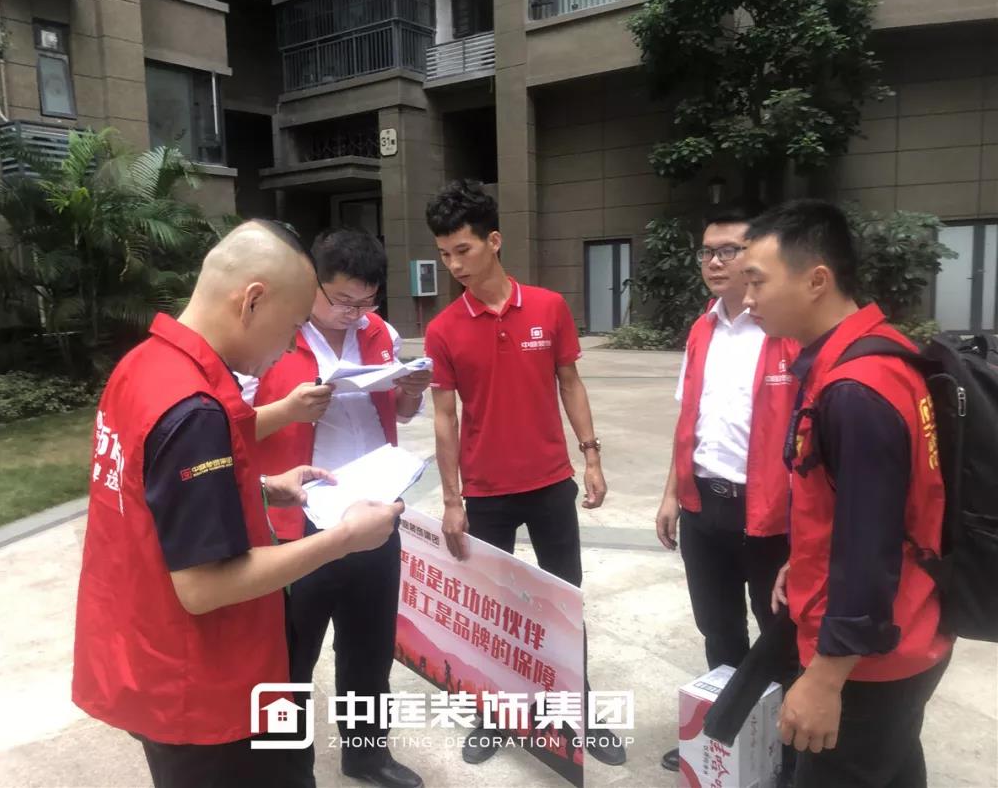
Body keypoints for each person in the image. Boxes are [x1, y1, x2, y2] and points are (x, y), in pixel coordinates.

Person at [72, 220, 405, 788]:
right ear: (252, 301)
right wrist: (345, 538)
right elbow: (205, 585)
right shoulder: (194, 408)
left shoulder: (144, 366)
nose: (289, 345)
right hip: (201, 688)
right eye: (292, 325)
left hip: (150, 659)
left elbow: (154, 496)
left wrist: (259, 487)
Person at [741, 200, 952, 788]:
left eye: (757, 281)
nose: (747, 297)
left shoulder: (857, 389)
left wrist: (826, 679)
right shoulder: (871, 355)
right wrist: (804, 563)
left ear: (816, 280)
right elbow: (859, 506)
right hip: (903, 634)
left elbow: (870, 547)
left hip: (868, 662)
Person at [422, 179, 625, 767]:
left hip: (550, 484)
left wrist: (590, 455)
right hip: (486, 493)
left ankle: (577, 708)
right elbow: (444, 419)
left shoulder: (548, 307)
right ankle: (494, 711)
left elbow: (570, 383)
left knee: (565, 603)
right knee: (491, 610)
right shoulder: (443, 330)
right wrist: (453, 499)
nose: (454, 265)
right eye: (444, 254)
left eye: (463, 250)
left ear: (494, 240)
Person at [244, 228, 430, 788]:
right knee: (291, 656)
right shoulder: (273, 337)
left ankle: (366, 755)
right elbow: (232, 427)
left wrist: (411, 389)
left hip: (373, 509)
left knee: (369, 645)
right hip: (301, 520)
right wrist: (288, 409)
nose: (355, 313)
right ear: (313, 284)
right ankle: (286, 770)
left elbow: (399, 411)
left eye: (366, 301)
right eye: (343, 300)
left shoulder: (379, 333)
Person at [656, 203, 799, 775]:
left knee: (781, 639)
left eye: (729, 251)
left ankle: (785, 756)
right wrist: (671, 494)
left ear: (757, 255)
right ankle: (726, 744)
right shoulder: (702, 329)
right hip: (703, 508)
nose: (715, 262)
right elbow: (687, 419)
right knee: (718, 632)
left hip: (770, 516)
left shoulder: (785, 332)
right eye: (707, 252)